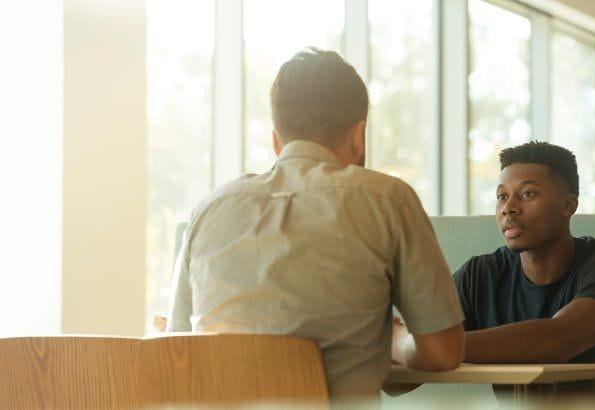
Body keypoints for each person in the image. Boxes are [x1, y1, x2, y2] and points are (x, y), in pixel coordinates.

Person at [166, 47, 464, 399]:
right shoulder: (387, 199)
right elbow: (443, 352)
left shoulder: (208, 209)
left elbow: (176, 349)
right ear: (359, 136)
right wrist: (395, 340)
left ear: (276, 140)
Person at [453, 141, 595, 394]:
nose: (508, 208)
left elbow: (556, 341)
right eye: (502, 196)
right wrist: (402, 344)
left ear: (568, 206)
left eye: (527, 194)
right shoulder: (479, 275)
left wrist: (428, 347)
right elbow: (399, 382)